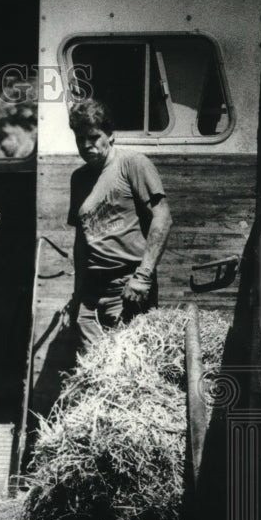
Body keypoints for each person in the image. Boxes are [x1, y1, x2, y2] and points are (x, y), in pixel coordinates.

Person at [68, 99, 173, 350]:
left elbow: (163, 217)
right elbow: (81, 241)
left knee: (129, 371)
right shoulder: (79, 179)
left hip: (127, 288)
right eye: (79, 138)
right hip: (91, 295)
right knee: (93, 374)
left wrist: (143, 277)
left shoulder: (132, 164)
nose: (86, 145)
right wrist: (77, 293)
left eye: (93, 137)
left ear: (110, 135)